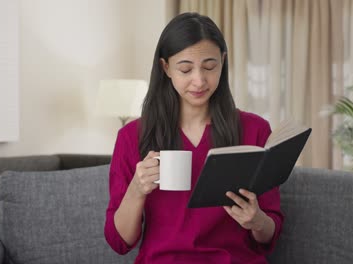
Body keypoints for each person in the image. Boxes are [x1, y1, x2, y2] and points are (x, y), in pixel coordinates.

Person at [104, 12, 283, 263]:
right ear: (165, 67)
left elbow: (269, 233)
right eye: (185, 69)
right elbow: (120, 242)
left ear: (223, 62)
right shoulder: (131, 136)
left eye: (209, 67)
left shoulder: (255, 130)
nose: (199, 80)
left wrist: (257, 220)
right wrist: (137, 189)